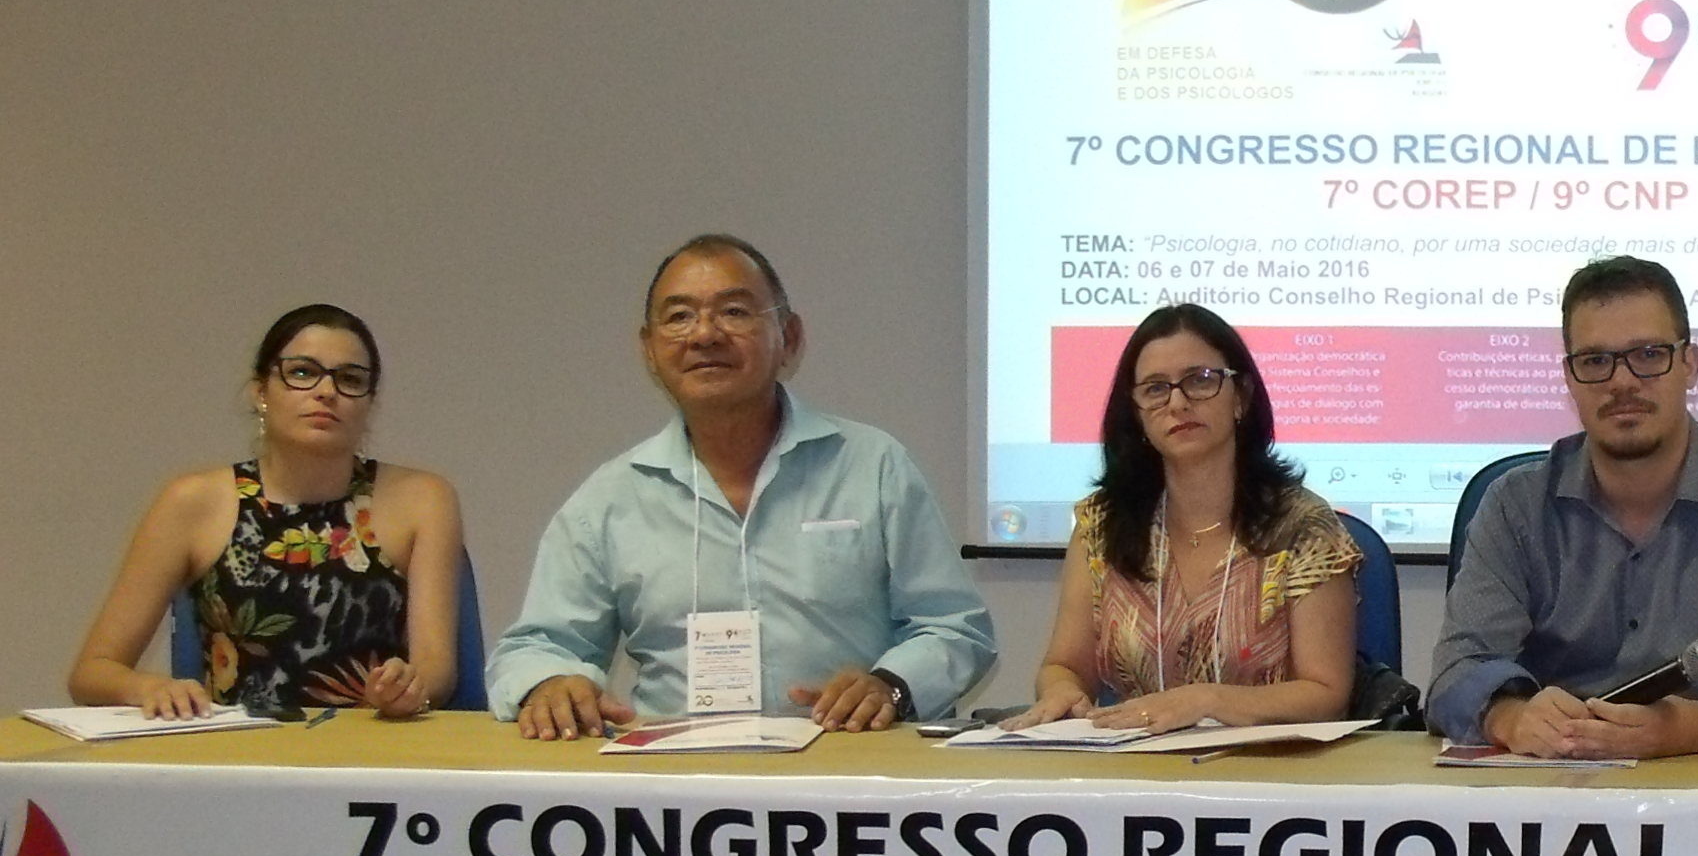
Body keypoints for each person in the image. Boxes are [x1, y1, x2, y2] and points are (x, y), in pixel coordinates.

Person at [490, 235, 996, 737]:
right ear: (649, 350)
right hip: (675, 767)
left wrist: (891, 686)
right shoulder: (610, 499)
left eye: (734, 312)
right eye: (679, 317)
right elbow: (534, 647)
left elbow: (956, 628)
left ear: (789, 338)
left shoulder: (872, 466)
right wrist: (548, 683)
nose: (704, 334)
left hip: (847, 760)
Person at [1427, 255, 1698, 756]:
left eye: (1648, 354)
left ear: (1690, 365)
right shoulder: (1515, 506)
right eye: (1596, 361)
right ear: (1570, 378)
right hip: (1552, 780)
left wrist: (1683, 729)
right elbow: (1454, 674)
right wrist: (1510, 718)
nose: (1622, 382)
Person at [70, 304, 464, 719]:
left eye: (350, 379)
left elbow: (437, 669)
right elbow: (92, 672)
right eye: (302, 372)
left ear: (370, 402)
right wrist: (149, 687)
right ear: (261, 391)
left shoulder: (423, 498)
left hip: (372, 743)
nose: (326, 391)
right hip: (236, 746)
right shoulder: (192, 501)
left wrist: (410, 687)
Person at [1009, 303, 1361, 730]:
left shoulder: (1303, 527)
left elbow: (1326, 696)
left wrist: (1205, 700)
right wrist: (1062, 690)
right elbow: (1064, 666)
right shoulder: (1103, 526)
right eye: (1155, 389)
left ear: (1241, 397)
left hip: (1270, 762)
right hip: (1134, 761)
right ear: (1136, 414)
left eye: (1200, 380)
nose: (1177, 402)